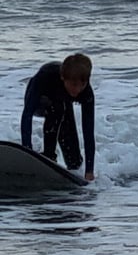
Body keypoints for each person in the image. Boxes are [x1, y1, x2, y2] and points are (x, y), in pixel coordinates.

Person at [20, 53, 96, 181]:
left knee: (75, 162)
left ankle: (71, 167)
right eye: (73, 85)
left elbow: (88, 132)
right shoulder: (46, 75)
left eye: (81, 85)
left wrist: (89, 171)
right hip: (39, 101)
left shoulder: (86, 93)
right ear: (63, 78)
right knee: (57, 108)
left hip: (63, 104)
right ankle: (49, 155)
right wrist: (28, 153)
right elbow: (27, 115)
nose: (77, 90)